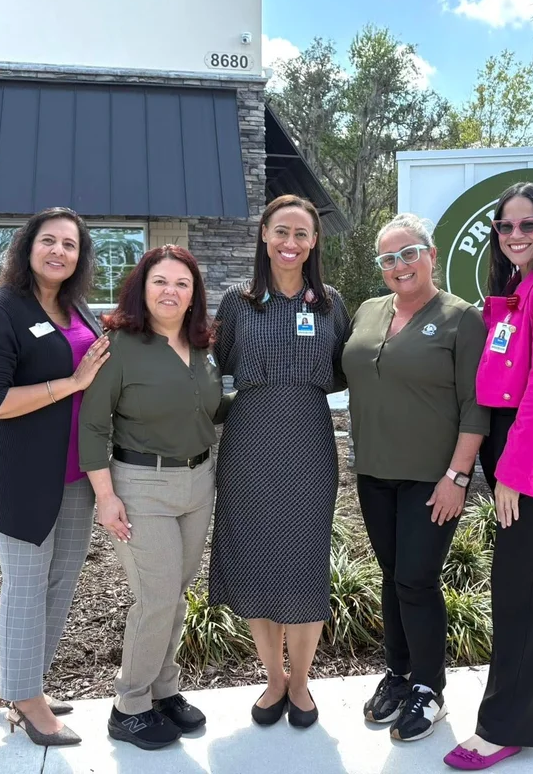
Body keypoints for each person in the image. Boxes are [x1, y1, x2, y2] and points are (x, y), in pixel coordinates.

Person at [444, 182, 533, 771]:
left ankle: (504, 725)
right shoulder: (516, 289)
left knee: (520, 589)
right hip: (516, 445)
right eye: (505, 227)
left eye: (527, 225)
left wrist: (514, 473)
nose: (516, 236)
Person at [342, 213, 489, 742]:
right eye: (388, 258)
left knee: (416, 578)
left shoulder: (460, 317)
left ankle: (429, 689)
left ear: (431, 253)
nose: (399, 266)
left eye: (409, 253)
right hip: (374, 472)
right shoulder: (367, 311)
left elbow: (477, 406)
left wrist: (458, 475)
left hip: (433, 478)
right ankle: (399, 674)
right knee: (391, 574)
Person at [0, 207, 111, 747]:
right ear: (28, 248)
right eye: (48, 241)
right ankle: (24, 700)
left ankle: (28, 685)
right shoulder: (2, 310)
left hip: (75, 470)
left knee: (59, 583)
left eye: (70, 245)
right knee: (26, 586)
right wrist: (71, 384)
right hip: (22, 472)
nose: (59, 252)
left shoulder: (75, 307)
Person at [207, 194, 350, 730]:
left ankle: (302, 682)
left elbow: (343, 370)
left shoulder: (331, 303)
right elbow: (215, 368)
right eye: (281, 232)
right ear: (264, 236)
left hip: (310, 444)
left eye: (302, 234)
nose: (291, 243)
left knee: (304, 562)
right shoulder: (236, 303)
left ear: (314, 242)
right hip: (248, 445)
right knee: (256, 559)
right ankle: (272, 680)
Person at [79, 244, 228, 751]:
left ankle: (165, 691)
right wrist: (105, 495)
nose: (171, 291)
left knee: (175, 592)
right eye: (160, 281)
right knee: (157, 595)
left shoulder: (201, 344)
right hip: (140, 485)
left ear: (193, 296)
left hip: (198, 482)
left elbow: (205, 409)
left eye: (182, 284)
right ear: (142, 288)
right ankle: (129, 705)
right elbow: (93, 423)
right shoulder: (120, 344)